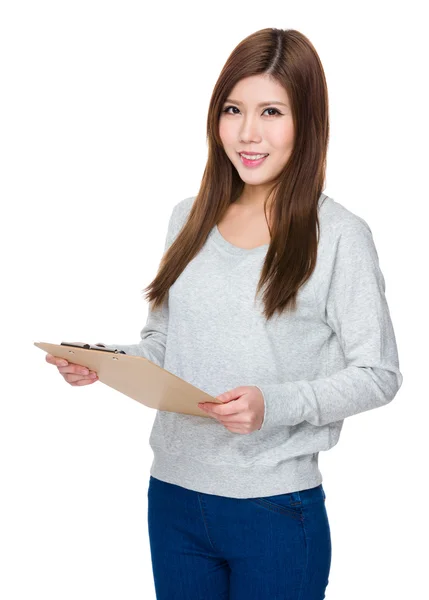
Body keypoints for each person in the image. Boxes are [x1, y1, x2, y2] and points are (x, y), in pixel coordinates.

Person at [45, 27, 403, 600]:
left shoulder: (339, 237)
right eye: (233, 109)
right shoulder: (187, 217)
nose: (247, 132)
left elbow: (379, 375)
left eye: (272, 111)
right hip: (174, 497)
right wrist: (106, 363)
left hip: (274, 511)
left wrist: (274, 405)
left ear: (307, 121)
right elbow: (164, 342)